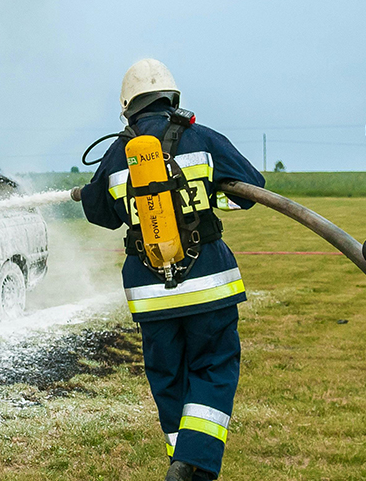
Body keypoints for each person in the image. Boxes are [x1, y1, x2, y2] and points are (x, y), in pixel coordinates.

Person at [77, 58, 265, 481]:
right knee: (213, 367)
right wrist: (206, 197)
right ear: (172, 98)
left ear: (128, 108)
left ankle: (181, 464)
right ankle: (192, 464)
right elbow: (252, 189)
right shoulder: (201, 138)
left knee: (168, 377)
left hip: (150, 293)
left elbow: (99, 212)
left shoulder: (117, 153)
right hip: (209, 285)